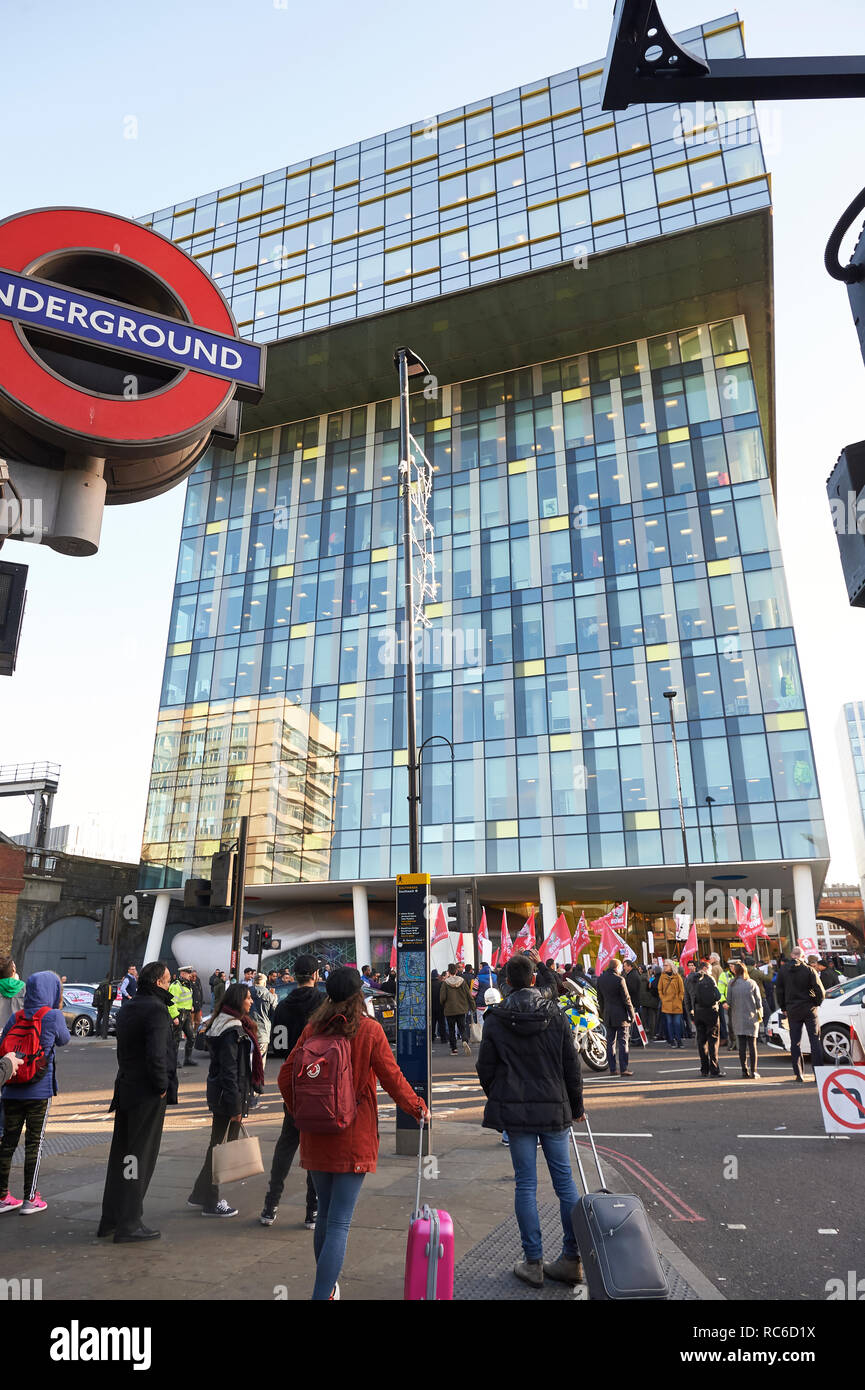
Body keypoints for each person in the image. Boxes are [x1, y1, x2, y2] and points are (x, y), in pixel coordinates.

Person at [280, 967, 428, 1301]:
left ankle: (329, 1288)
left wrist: (300, 1110)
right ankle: (322, 1294)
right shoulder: (369, 1030)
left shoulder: (313, 1028)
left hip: (315, 1132)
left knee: (325, 1216)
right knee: (340, 1222)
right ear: (359, 995)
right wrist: (418, 1108)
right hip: (352, 1132)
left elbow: (285, 1075)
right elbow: (392, 1078)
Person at [476, 953, 585, 1289]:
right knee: (565, 1183)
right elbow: (572, 1066)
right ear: (534, 979)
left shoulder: (496, 1018)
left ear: (508, 981)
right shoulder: (556, 1014)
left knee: (526, 1184)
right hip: (554, 1108)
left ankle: (533, 1261)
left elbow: (485, 1068)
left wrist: (499, 1092)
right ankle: (571, 1259)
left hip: (517, 1111)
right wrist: (576, 1106)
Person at [98, 960, 177, 1242]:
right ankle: (129, 1222)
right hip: (147, 1093)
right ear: (158, 982)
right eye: (168, 981)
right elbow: (157, 1055)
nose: (170, 984)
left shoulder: (130, 1006)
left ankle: (111, 1218)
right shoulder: (156, 1011)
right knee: (139, 1158)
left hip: (126, 1088)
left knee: (122, 1155)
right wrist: (162, 1086)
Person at [187, 983, 263, 1216]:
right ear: (238, 1000)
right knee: (218, 1148)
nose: (251, 1001)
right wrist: (235, 1106)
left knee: (216, 1145)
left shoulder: (221, 1022)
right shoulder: (233, 1030)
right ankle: (211, 1202)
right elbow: (231, 1071)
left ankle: (200, 1194)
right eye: (248, 998)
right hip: (228, 1096)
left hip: (221, 1093)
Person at [0, 971, 71, 1214]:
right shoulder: (52, 1015)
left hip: (11, 1089)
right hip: (38, 1091)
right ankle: (31, 1198)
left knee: (7, 1143)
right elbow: (64, 1040)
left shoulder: (16, 1017)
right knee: (34, 1143)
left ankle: (2, 1196)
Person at [261, 954, 321, 1228]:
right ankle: (312, 1209)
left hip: (292, 1079)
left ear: (294, 976)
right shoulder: (322, 1004)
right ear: (316, 975)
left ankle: (270, 1205)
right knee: (315, 1145)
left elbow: (278, 1042)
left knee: (287, 1143)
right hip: (318, 1080)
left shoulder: (283, 1006)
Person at [776, 948, 825, 1082]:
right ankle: (818, 1074)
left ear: (792, 955)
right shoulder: (809, 970)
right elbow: (819, 990)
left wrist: (783, 1007)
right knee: (815, 1041)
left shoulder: (783, 970)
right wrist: (816, 1003)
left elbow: (779, 991)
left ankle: (798, 1074)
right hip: (809, 1008)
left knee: (795, 1042)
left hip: (792, 1009)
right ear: (802, 956)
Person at [597, 959, 636, 1076]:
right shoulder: (620, 979)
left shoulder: (601, 979)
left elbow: (600, 999)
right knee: (623, 1041)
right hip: (621, 1015)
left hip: (608, 1014)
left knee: (610, 1042)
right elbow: (626, 999)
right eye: (620, 968)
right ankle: (624, 1068)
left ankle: (613, 1068)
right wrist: (632, 1013)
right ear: (617, 967)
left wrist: (603, 1012)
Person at [728, 962, 762, 1079]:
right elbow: (758, 1002)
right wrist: (760, 1015)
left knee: (741, 1046)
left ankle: (744, 1071)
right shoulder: (752, 983)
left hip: (737, 1017)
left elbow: (729, 1001)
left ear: (735, 971)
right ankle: (754, 1071)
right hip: (751, 1017)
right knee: (752, 1046)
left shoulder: (731, 984)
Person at [692, 961, 724, 1078]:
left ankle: (704, 1069)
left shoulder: (692, 979)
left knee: (701, 1041)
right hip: (711, 1012)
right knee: (713, 1041)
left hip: (698, 1012)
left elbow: (689, 996)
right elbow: (718, 995)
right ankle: (714, 1069)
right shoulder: (710, 979)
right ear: (705, 968)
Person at [440, 962, 474, 1055]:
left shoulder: (445, 983)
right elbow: (469, 995)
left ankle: (454, 1049)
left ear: (448, 971)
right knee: (462, 1027)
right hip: (461, 1008)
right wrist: (472, 1006)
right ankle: (464, 1040)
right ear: (456, 971)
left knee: (451, 1030)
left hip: (449, 1010)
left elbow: (442, 998)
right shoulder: (462, 981)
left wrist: (444, 1004)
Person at [169, 968, 198, 1068]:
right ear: (182, 973)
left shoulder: (187, 984)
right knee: (176, 1039)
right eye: (188, 973)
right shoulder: (176, 986)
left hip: (187, 1013)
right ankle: (173, 1061)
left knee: (191, 1037)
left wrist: (191, 1006)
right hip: (179, 1013)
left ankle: (187, 1059)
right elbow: (171, 1002)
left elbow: (187, 998)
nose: (190, 975)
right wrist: (174, 1016)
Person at [658, 959, 685, 1047]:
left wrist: (680, 999)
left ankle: (679, 1040)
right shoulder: (662, 976)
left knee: (677, 1023)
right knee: (669, 1023)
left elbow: (682, 990)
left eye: (666, 965)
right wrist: (663, 998)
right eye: (664, 965)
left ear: (671, 966)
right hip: (666, 1003)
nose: (664, 967)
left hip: (676, 1003)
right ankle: (672, 1040)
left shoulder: (677, 976)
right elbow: (660, 989)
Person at [250, 972, 275, 1060]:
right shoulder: (270, 996)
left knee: (246, 1060)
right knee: (260, 1061)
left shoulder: (246, 992)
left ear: (254, 982)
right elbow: (274, 1013)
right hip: (263, 1031)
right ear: (264, 983)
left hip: (247, 1030)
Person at [622, 960, 642, 1044]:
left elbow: (632, 989)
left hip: (634, 1001)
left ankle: (636, 1039)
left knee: (635, 1021)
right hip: (635, 1000)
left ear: (630, 966)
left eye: (625, 966)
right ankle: (636, 1038)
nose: (624, 967)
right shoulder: (632, 974)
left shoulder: (632, 975)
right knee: (636, 1021)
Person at [638, 966, 658, 1043]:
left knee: (643, 1018)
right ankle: (652, 1035)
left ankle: (643, 1035)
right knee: (652, 1018)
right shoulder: (651, 979)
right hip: (651, 1000)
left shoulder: (640, 978)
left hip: (643, 1000)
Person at [429, 969, 448, 1044]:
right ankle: (443, 1038)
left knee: (432, 1023)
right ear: (437, 975)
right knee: (442, 1023)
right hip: (440, 1006)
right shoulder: (441, 983)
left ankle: (432, 1037)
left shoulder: (429, 984)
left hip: (431, 1007)